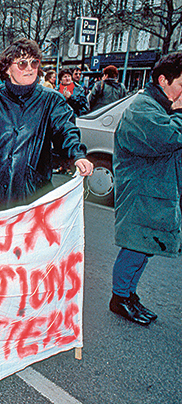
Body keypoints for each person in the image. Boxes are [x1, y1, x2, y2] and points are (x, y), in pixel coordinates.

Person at [0, 38, 93, 212]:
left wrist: (77, 154)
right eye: (22, 63)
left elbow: (65, 129)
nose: (29, 68)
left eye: (34, 62)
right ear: (7, 68)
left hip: (32, 197)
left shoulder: (51, 100)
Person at [109, 52, 182, 325]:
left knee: (144, 246)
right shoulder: (143, 107)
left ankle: (129, 294)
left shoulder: (159, 105)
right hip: (140, 192)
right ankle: (119, 298)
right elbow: (167, 137)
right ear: (163, 80)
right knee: (135, 246)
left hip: (151, 191)